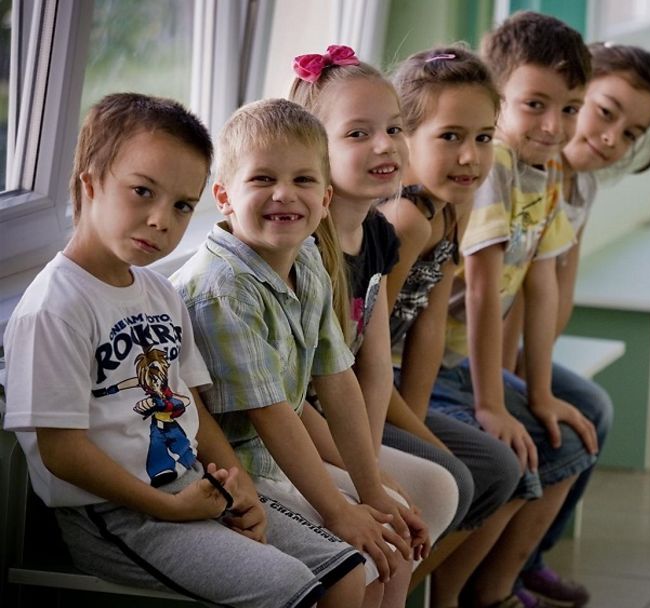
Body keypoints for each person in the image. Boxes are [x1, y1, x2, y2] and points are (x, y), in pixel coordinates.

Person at [2, 93, 369, 607]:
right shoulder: (54, 308)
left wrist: (237, 485)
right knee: (292, 590)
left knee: (349, 572)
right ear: (90, 184)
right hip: (118, 515)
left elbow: (190, 403)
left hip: (194, 484)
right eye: (142, 192)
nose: (161, 220)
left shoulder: (159, 291)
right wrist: (167, 507)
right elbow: (63, 452)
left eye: (180, 205)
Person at [170, 98, 412, 608]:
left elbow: (337, 378)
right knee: (360, 559)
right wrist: (338, 510)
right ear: (224, 197)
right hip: (229, 477)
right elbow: (272, 413)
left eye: (303, 181)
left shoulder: (306, 259)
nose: (284, 194)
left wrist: (370, 491)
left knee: (393, 540)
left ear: (325, 199)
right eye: (261, 180)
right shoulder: (222, 289)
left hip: (274, 466)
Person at [428, 12, 600, 608]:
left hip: (462, 365)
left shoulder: (546, 168)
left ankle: (497, 587)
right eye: (535, 105)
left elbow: (541, 281)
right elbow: (480, 289)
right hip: (430, 368)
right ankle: (451, 597)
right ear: (498, 100)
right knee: (515, 461)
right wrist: (489, 404)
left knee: (571, 441)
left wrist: (542, 389)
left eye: (571, 108)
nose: (555, 126)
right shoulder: (493, 165)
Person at [504, 42, 650, 608]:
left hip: (521, 351)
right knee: (551, 428)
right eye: (605, 112)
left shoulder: (582, 186)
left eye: (630, 134)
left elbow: (560, 289)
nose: (610, 138)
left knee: (594, 409)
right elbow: (504, 295)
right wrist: (515, 385)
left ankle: (528, 561)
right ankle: (498, 578)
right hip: (484, 354)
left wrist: (538, 366)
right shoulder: (525, 174)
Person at [288, 45, 457, 548]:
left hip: (348, 427)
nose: (385, 145)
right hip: (295, 435)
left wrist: (371, 455)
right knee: (402, 508)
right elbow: (288, 398)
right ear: (314, 151)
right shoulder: (300, 251)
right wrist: (365, 471)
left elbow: (376, 367)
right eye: (359, 134)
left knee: (440, 487)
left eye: (394, 128)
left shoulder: (380, 234)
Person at [378, 45, 524, 605]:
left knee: (501, 470)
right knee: (458, 478)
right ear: (403, 136)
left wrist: (417, 428)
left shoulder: (449, 207)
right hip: (335, 399)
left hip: (386, 392)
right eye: (450, 136)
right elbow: (357, 351)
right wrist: (422, 442)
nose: (471, 156)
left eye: (484, 137)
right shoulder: (404, 219)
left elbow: (428, 330)